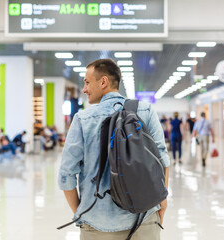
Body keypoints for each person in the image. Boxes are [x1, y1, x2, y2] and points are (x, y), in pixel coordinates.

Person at [58, 59, 170, 240]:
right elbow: (162, 160)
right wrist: (162, 202)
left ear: (103, 82)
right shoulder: (146, 111)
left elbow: (66, 175)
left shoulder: (82, 119)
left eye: (87, 82)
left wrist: (82, 212)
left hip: (96, 222)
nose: (84, 89)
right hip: (145, 217)